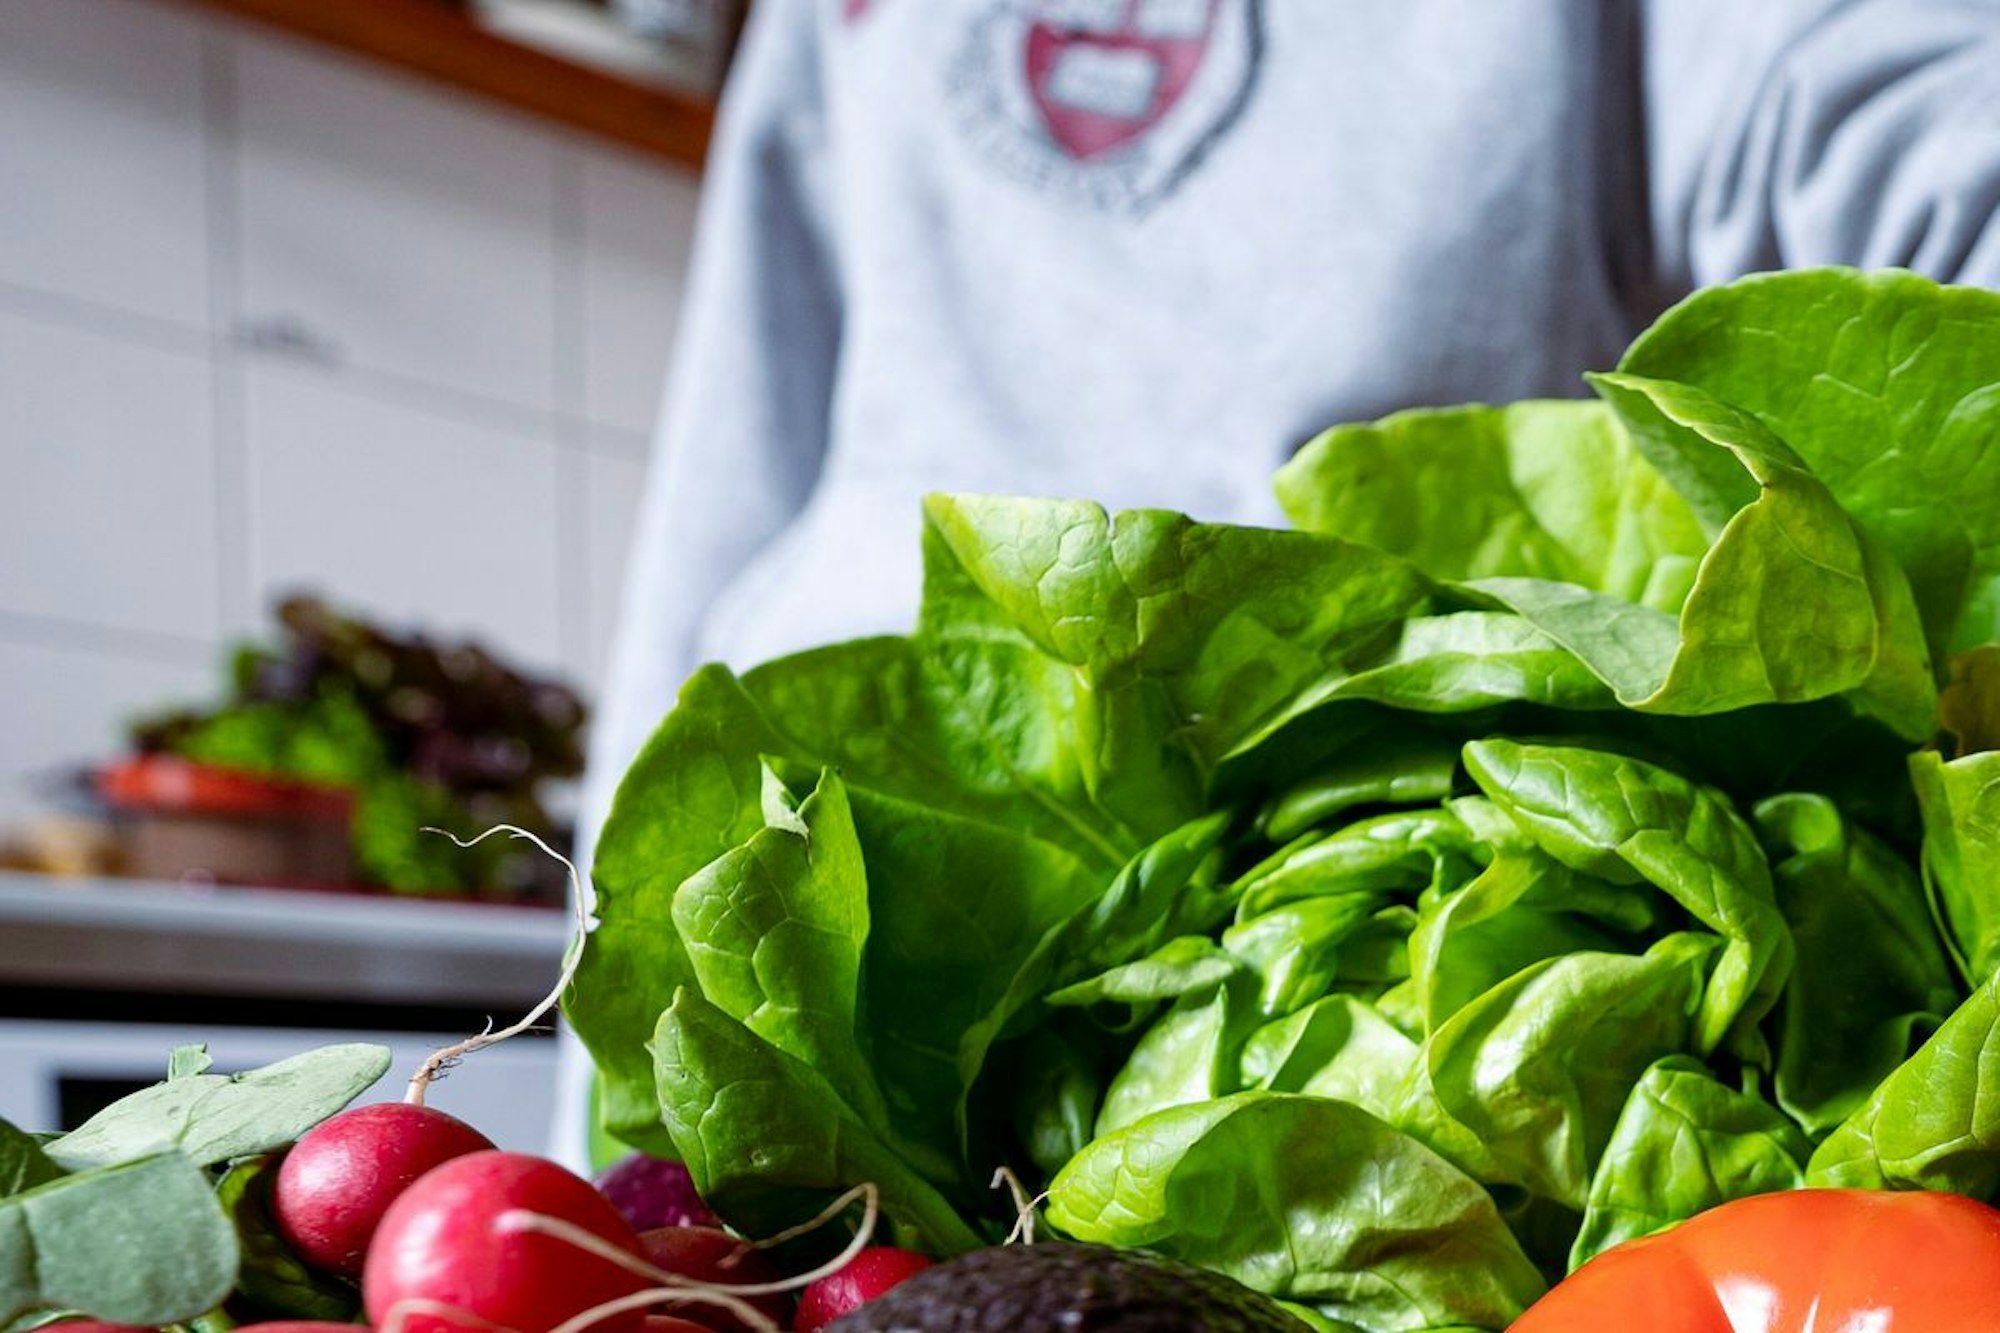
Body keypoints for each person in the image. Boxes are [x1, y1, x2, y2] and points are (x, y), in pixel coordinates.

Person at [555, 0, 2000, 1166]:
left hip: (1413, 930)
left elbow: (1928, 131)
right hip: (846, 959)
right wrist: (593, 1039)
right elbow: (737, 460)